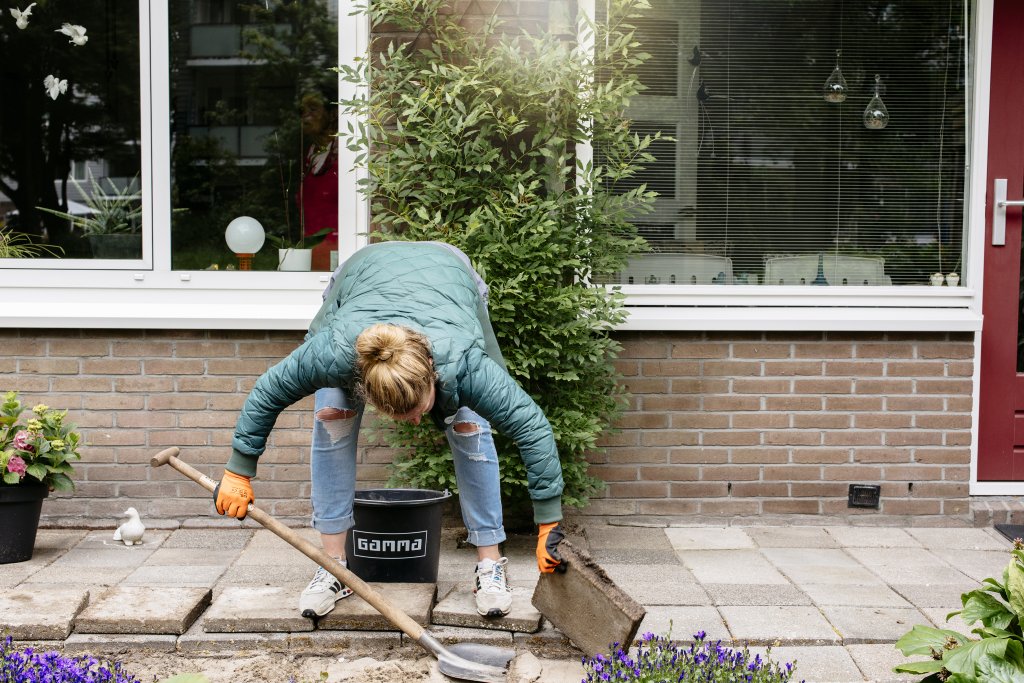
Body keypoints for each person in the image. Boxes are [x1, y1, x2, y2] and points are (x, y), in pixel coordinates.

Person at [214, 241, 566, 620]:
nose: (416, 423)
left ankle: (490, 564)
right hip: (359, 277)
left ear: (434, 374)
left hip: (449, 276)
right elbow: (269, 391)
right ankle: (334, 567)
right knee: (333, 418)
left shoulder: (464, 362)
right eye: (402, 416)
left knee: (470, 427)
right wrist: (239, 469)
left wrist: (549, 522)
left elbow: (531, 427)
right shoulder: (332, 352)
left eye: (420, 410)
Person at [298, 92, 338, 272]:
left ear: (332, 113)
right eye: (302, 111)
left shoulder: (348, 152)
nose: (306, 116)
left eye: (313, 109)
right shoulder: (312, 153)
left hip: (337, 254)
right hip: (310, 252)